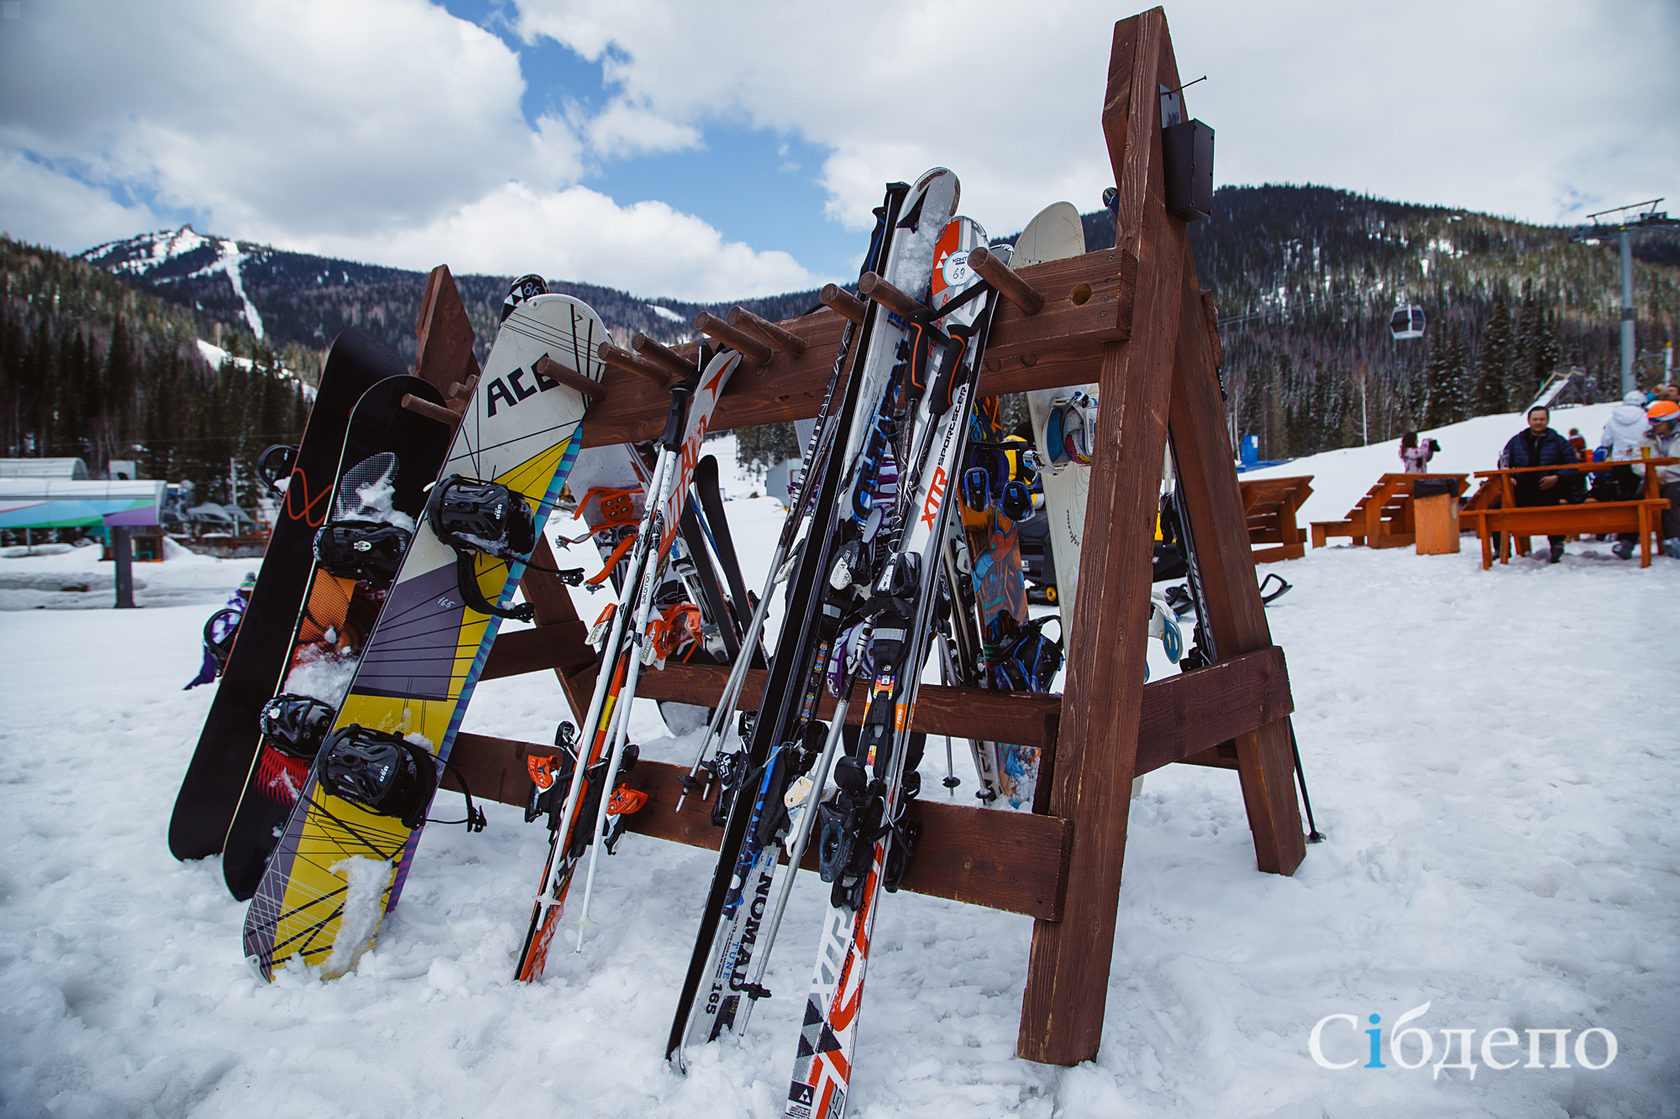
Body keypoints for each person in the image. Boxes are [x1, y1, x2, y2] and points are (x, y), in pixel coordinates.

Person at [1499, 405, 1579, 563]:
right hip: (1523, 486)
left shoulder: (1558, 441)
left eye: (1542, 419)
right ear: (1529, 420)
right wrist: (1510, 477)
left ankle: (1556, 544)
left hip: (1549, 485)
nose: (1538, 422)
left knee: (1554, 508)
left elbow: (1572, 465)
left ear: (1547, 420)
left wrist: (1556, 476)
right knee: (1497, 508)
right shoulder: (1517, 441)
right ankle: (1500, 550)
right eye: (1535, 419)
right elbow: (1504, 462)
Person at [1595, 390, 1654, 558]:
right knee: (1643, 497)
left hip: (1620, 462)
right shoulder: (1645, 418)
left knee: (1623, 498)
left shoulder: (1613, 419)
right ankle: (1636, 534)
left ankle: (1624, 535)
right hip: (1641, 461)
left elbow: (1605, 441)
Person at [184, 571, 256, 689]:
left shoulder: (242, 603)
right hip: (215, 643)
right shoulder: (237, 607)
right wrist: (221, 651)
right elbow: (228, 630)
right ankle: (186, 695)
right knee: (207, 676)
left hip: (218, 644)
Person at [1647, 399, 1680, 558]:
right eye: (1651, 421)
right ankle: (1628, 539)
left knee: (1671, 494)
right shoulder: (1647, 437)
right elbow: (1638, 460)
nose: (1653, 425)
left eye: (1657, 421)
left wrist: (1662, 473)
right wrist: (1655, 474)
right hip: (1652, 479)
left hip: (1675, 478)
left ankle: (1673, 538)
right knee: (1640, 494)